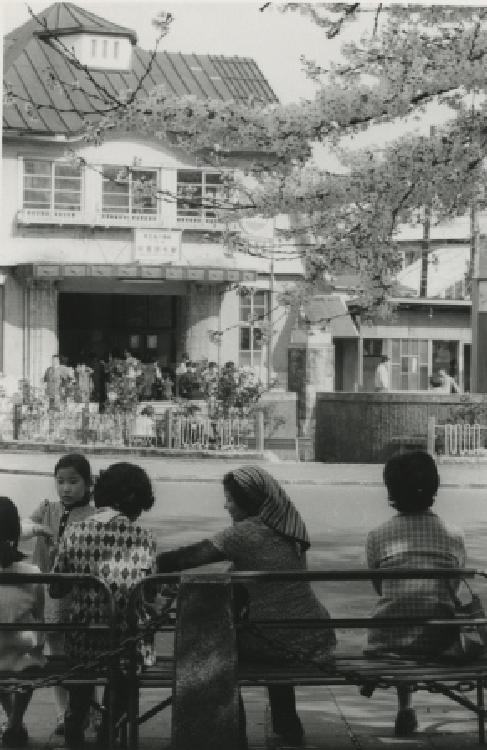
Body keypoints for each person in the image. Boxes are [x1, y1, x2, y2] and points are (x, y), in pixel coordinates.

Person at [156, 465, 336, 748]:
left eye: (229, 498)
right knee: (273, 624)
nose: (225, 505)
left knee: (220, 648)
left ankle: (234, 728)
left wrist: (148, 561)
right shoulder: (288, 527)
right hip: (314, 637)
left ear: (247, 501)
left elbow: (184, 559)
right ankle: (287, 723)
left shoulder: (243, 534)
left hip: (278, 642)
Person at [50, 462, 157, 748]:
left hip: (83, 643)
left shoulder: (74, 533)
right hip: (127, 646)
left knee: (80, 685)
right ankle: (110, 731)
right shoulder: (145, 539)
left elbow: (56, 589)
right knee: (123, 678)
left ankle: (75, 724)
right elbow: (149, 597)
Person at [365, 451, 466, 737]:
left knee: (399, 612)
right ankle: (406, 709)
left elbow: (381, 589)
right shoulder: (454, 535)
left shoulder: (377, 535)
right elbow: (453, 589)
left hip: (387, 642)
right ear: (434, 487)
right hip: (440, 640)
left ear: (391, 489)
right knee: (425, 613)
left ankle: (404, 707)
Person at [21, 453, 94, 738]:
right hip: (47, 598)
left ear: (88, 484)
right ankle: (63, 714)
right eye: (60, 481)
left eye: (73, 482)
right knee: (56, 657)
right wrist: (40, 529)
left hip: (76, 599)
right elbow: (23, 529)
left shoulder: (92, 516)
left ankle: (91, 713)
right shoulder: (47, 509)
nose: (66, 488)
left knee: (85, 661)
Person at [0, 497, 45, 748]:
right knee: (31, 651)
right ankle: (15, 721)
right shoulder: (33, 574)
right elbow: (39, 617)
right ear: (15, 533)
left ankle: (12, 721)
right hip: (22, 659)